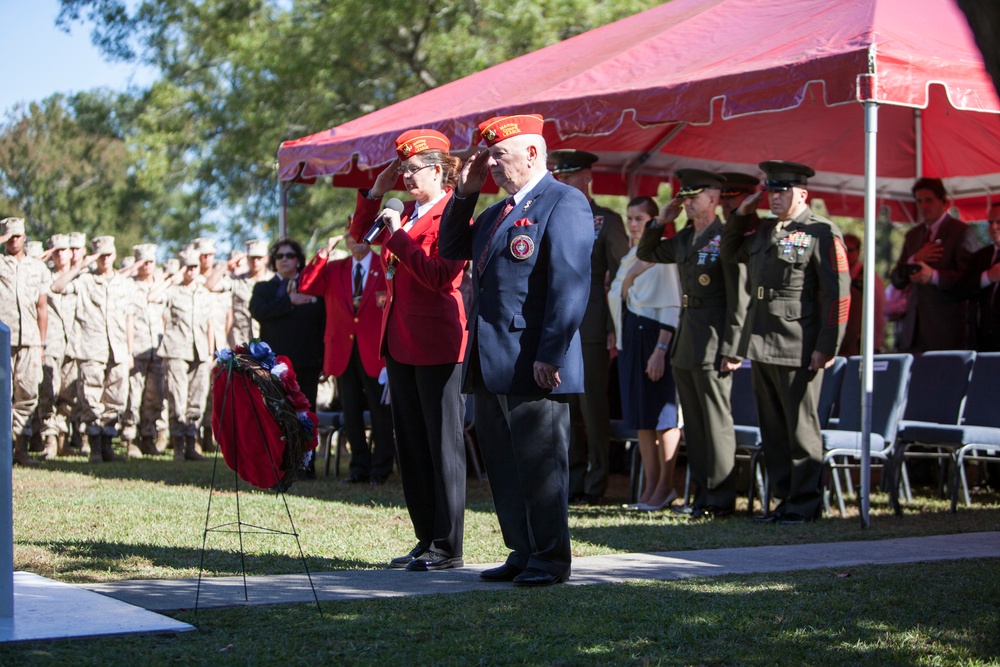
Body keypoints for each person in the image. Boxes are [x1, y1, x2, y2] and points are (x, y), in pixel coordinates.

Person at [439, 113, 592, 586]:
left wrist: (552, 353)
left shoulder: (563, 202)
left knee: (540, 464)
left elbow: (570, 284)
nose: (494, 167)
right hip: (490, 360)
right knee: (504, 465)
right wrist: (465, 193)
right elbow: (450, 247)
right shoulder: (495, 212)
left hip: (534, 360)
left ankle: (550, 556)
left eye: (499, 156)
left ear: (531, 153)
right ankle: (522, 551)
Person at [349, 128, 468, 572]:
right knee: (413, 446)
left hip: (438, 342)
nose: (406, 178)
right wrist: (373, 193)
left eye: (412, 169)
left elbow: (442, 277)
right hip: (399, 343)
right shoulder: (406, 212)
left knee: (442, 446)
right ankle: (425, 538)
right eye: (401, 170)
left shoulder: (452, 213)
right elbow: (360, 239)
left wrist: (398, 235)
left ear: (438, 171)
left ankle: (448, 544)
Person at [720, 160, 850, 524]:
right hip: (761, 342)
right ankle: (783, 500)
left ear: (802, 193)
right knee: (773, 429)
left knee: (800, 428)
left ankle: (805, 503)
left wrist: (827, 346)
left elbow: (837, 295)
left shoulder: (821, 232)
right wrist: (743, 213)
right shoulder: (763, 230)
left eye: (782, 191)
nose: (775, 198)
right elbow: (730, 252)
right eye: (771, 191)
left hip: (800, 345)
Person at [637, 170, 750, 519]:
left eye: (693, 196)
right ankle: (702, 495)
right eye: (684, 196)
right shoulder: (686, 237)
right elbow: (649, 251)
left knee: (715, 423)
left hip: (715, 340)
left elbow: (738, 297)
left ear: (714, 199)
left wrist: (733, 347)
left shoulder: (725, 236)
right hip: (687, 340)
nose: (686, 202)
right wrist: (660, 220)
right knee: (696, 426)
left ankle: (721, 498)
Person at [549, 149, 629, 506]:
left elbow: (621, 278)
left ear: (586, 178)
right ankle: (573, 479)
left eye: (569, 177)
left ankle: (597, 483)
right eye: (560, 177)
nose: (563, 183)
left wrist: (615, 326)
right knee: (565, 409)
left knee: (593, 409)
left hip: (593, 326)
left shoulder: (606, 221)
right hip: (558, 328)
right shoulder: (550, 214)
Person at [299, 230, 395, 486]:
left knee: (380, 413)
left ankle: (381, 468)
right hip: (343, 351)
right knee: (350, 411)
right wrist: (323, 253)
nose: (357, 242)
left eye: (362, 235)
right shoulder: (335, 268)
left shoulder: (385, 262)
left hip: (376, 352)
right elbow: (306, 285)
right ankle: (358, 468)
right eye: (351, 236)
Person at [608, 197, 683, 512]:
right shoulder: (630, 255)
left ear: (655, 221)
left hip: (654, 336)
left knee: (662, 418)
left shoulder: (661, 252)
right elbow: (620, 296)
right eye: (630, 218)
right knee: (641, 418)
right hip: (630, 338)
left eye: (640, 218)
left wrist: (661, 349)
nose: (634, 224)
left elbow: (671, 304)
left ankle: (665, 487)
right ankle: (651, 488)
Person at [50, 235, 133, 463]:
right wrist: (79, 266)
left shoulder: (124, 283)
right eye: (100, 255)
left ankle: (107, 445)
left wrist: (129, 350)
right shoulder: (85, 280)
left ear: (114, 254)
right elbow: (56, 287)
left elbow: (128, 318)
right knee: (91, 398)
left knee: (115, 399)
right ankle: (95, 447)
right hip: (92, 348)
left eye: (108, 254)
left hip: (117, 348)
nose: (105, 259)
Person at [249, 239, 326, 475]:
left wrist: (324, 360)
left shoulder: (312, 286)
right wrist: (289, 302)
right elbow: (258, 311)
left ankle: (305, 465)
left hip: (306, 362)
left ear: (298, 260)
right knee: (276, 414)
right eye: (280, 256)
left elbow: (322, 322)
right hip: (275, 366)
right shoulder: (265, 289)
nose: (284, 259)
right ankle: (278, 464)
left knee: (305, 415)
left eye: (290, 255)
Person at [889, 177, 977, 352]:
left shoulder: (961, 232)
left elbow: (970, 280)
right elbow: (896, 279)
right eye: (919, 201)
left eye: (928, 200)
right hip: (913, 331)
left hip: (946, 330)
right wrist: (914, 259)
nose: (923, 206)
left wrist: (934, 276)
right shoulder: (913, 236)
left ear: (943, 201)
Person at [150, 250, 213, 461]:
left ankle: (191, 443)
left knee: (197, 398)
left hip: (200, 350)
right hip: (176, 349)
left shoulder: (204, 292)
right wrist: (170, 279)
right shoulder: (173, 291)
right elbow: (152, 297)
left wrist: (211, 352)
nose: (192, 270)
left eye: (195, 266)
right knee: (177, 398)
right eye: (188, 267)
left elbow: (209, 324)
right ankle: (177, 444)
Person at [0, 217, 50, 466]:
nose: (14, 240)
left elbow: (42, 307)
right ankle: (4, 449)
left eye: (18, 235)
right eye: (9, 236)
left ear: (25, 236)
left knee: (28, 393)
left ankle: (21, 447)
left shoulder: (37, 267)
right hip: (3, 340)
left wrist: (41, 344)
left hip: (30, 339)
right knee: (3, 395)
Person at [121, 244, 167, 457]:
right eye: (143, 262)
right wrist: (128, 351)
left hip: (156, 350)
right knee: (133, 395)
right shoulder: (128, 286)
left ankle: (148, 437)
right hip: (137, 348)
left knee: (155, 395)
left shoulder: (160, 286)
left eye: (151, 261)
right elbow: (127, 318)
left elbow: (166, 317)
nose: (147, 266)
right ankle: (130, 438)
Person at [37, 234, 74, 459]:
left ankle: (63, 439)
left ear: (71, 252)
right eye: (55, 250)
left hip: (74, 343)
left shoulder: (80, 278)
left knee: (69, 394)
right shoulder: (42, 274)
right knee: (48, 392)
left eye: (64, 250)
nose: (60, 254)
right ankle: (49, 439)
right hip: (51, 341)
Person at [838, 233, 886, 357]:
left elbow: (879, 313)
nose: (845, 254)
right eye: (841, 249)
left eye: (850, 250)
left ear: (858, 252)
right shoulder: (837, 276)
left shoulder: (869, 279)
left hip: (862, 346)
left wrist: (874, 343)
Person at [965, 203, 1000, 351]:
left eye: (999, 222)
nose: (993, 227)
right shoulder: (980, 257)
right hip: (984, 343)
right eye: (990, 222)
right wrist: (987, 277)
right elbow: (962, 288)